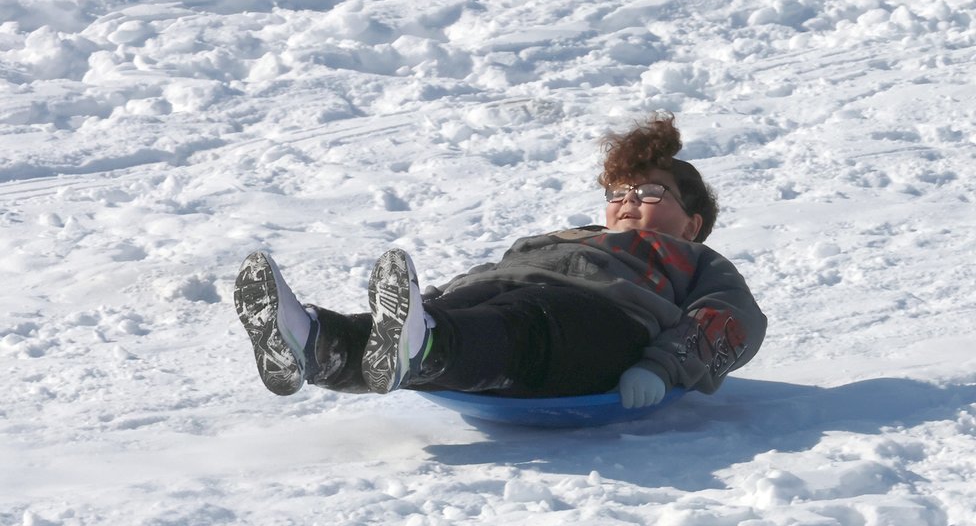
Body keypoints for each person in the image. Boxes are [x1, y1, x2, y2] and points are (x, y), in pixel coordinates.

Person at [233, 113, 765, 409]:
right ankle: (312, 343)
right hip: (512, 293)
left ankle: (425, 344)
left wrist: (662, 368)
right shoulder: (567, 236)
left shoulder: (696, 260)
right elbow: (490, 274)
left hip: (602, 323)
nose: (629, 200)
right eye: (620, 191)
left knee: (524, 326)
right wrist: (432, 303)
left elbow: (727, 322)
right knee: (466, 311)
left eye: (651, 192)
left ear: (692, 223)